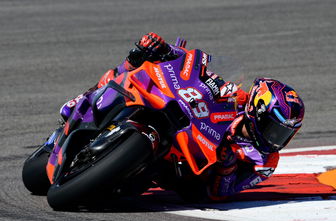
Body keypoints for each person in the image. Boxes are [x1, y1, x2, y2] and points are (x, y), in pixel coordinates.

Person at [61, 32, 305, 201]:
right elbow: (201, 73)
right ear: (257, 111)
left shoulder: (266, 161)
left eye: (284, 134)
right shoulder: (238, 99)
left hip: (191, 179)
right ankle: (88, 99)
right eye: (275, 129)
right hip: (184, 132)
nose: (276, 140)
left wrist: (227, 166)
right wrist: (168, 51)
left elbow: (224, 192)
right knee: (138, 65)